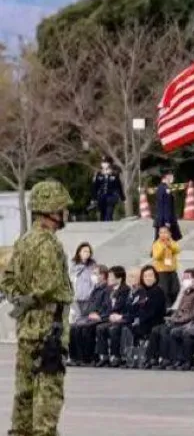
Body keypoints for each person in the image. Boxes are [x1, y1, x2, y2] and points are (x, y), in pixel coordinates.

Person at [0, 180, 73, 436]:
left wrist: (20, 299)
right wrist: (34, 297)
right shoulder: (49, 244)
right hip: (49, 326)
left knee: (25, 390)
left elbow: (7, 279)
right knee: (48, 390)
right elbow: (49, 285)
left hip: (27, 327)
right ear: (52, 211)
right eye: (62, 208)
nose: (65, 213)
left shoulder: (24, 241)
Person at [145, 268, 194, 369]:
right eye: (184, 278)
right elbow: (178, 310)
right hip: (178, 320)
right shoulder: (186, 293)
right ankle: (151, 357)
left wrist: (177, 320)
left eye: (188, 278)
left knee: (167, 331)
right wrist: (172, 318)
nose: (185, 280)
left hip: (188, 322)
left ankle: (169, 358)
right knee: (156, 329)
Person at [67, 264, 110, 366]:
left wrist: (99, 315)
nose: (93, 276)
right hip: (90, 316)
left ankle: (87, 358)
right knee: (74, 327)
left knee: (86, 328)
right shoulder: (95, 289)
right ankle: (75, 357)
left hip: (100, 317)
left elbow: (106, 306)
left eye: (95, 273)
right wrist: (86, 314)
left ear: (103, 275)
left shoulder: (107, 290)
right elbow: (90, 305)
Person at [92, 266, 130, 366]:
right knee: (100, 328)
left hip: (121, 318)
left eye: (111, 276)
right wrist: (100, 315)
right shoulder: (109, 290)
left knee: (114, 329)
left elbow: (121, 306)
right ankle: (104, 356)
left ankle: (115, 356)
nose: (108, 278)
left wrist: (116, 315)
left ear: (119, 279)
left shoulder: (125, 290)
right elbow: (105, 306)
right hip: (109, 317)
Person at [151, 226, 181, 307]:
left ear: (169, 234)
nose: (163, 234)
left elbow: (177, 250)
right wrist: (163, 248)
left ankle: (172, 304)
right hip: (161, 271)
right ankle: (167, 307)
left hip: (172, 270)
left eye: (165, 232)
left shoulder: (172, 242)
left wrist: (169, 246)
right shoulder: (156, 244)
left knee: (175, 289)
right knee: (164, 290)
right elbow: (156, 257)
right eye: (161, 233)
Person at [91, 156, 125, 222]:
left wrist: (123, 198)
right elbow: (95, 187)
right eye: (103, 162)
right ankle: (104, 224)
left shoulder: (114, 174)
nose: (104, 164)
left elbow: (119, 186)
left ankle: (108, 222)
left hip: (111, 196)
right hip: (101, 196)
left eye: (106, 162)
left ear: (110, 164)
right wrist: (93, 198)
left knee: (109, 213)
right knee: (102, 214)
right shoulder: (99, 174)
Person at [69, 242, 97, 322]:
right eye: (85, 251)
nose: (87, 253)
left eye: (88, 252)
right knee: (77, 318)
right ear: (79, 252)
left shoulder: (92, 265)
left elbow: (94, 280)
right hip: (76, 297)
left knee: (85, 318)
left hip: (88, 297)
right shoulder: (73, 265)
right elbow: (70, 279)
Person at [154, 168, 181, 241]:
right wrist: (167, 221)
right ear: (167, 176)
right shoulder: (166, 189)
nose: (173, 178)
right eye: (172, 176)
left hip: (161, 219)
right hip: (166, 221)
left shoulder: (160, 188)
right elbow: (166, 206)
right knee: (163, 242)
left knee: (162, 241)